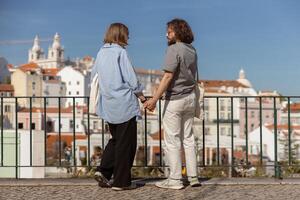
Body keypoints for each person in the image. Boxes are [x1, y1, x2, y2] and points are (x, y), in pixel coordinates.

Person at [144, 18, 201, 189]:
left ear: (177, 32)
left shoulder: (173, 49)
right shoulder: (192, 50)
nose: (166, 34)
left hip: (174, 100)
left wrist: (154, 99)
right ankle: (193, 177)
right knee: (189, 139)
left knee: (172, 140)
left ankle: (175, 180)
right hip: (190, 98)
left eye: (169, 31)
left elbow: (168, 76)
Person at [91, 23, 146, 191]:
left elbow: (95, 77)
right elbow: (130, 78)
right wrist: (141, 96)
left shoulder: (101, 53)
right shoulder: (121, 53)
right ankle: (121, 182)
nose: (128, 38)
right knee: (126, 144)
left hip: (109, 104)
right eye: (127, 34)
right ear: (121, 35)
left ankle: (105, 172)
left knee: (115, 140)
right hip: (124, 104)